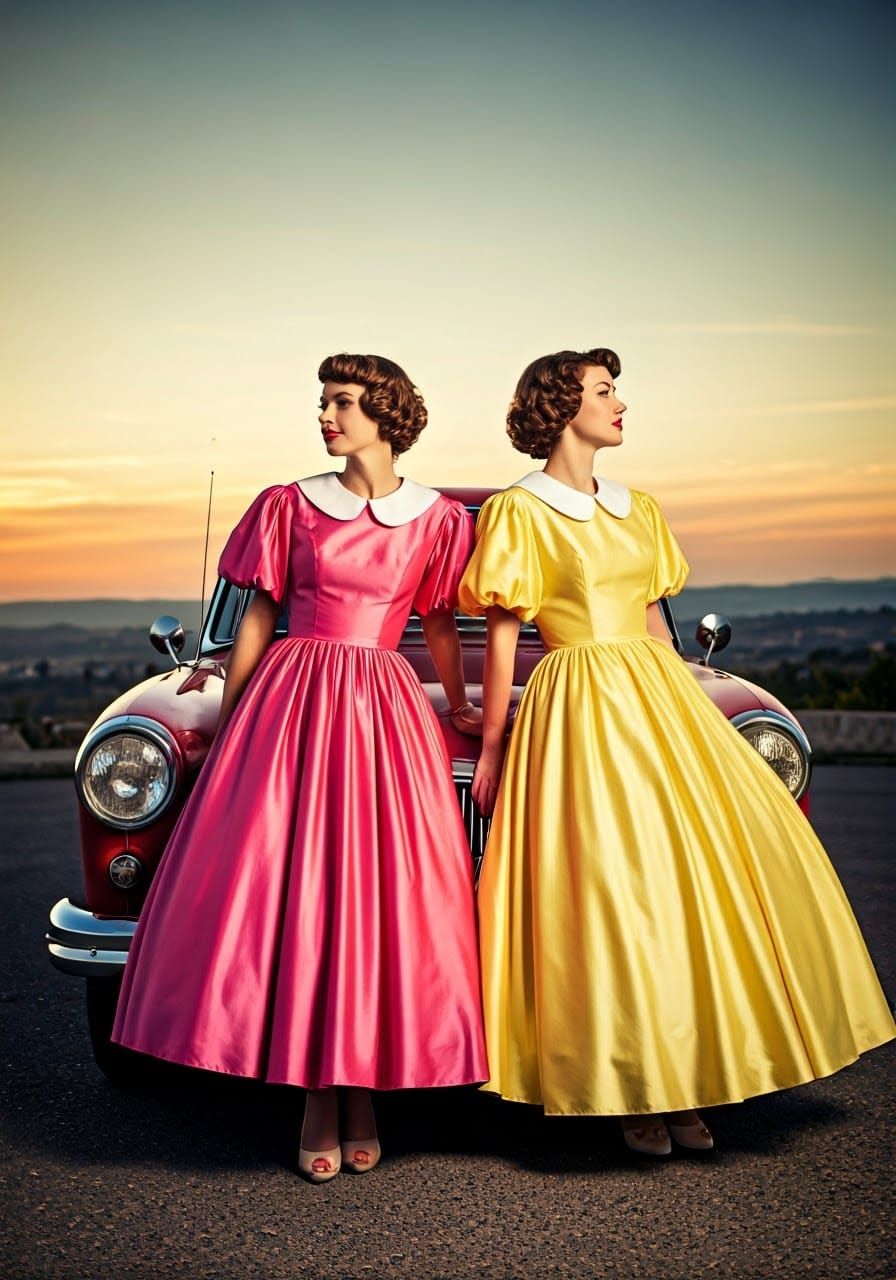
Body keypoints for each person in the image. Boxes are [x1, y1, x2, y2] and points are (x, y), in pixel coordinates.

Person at [458, 346, 895, 1155]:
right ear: (562, 407)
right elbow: (503, 634)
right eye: (603, 391)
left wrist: (694, 716)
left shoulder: (641, 506)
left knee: (684, 884)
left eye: (616, 389)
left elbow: (658, 625)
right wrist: (491, 748)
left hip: (660, 696)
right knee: (610, 889)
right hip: (578, 701)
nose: (620, 404)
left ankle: (690, 1076)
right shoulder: (517, 511)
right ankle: (634, 1088)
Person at [113, 353, 488, 1182]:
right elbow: (260, 616)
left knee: (377, 903)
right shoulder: (290, 505)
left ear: (386, 414)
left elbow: (436, 622)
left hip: (385, 708)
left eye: (343, 402)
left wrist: (461, 706)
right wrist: (233, 713)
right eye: (323, 401)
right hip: (295, 700)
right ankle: (319, 1094)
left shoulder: (437, 521)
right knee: (306, 897)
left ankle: (362, 1090)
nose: (325, 415)